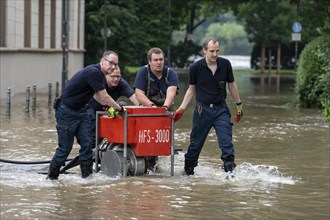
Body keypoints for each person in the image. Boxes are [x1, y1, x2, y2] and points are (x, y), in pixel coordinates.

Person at [48, 51, 125, 180]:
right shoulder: (93, 72)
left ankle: (87, 180)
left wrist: (110, 107)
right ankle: (51, 179)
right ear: (102, 61)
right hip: (66, 111)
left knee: (87, 145)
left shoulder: (100, 75)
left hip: (81, 111)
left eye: (116, 64)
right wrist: (120, 108)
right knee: (65, 149)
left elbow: (99, 97)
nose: (113, 67)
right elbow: (104, 97)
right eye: (111, 63)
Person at [173, 38, 243, 175]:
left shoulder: (225, 64)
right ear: (205, 50)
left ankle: (230, 173)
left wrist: (239, 104)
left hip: (221, 110)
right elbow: (191, 89)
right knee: (195, 145)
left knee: (226, 143)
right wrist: (181, 108)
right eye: (212, 51)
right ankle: (188, 172)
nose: (215, 54)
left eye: (217, 51)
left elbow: (232, 85)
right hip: (202, 110)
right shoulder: (195, 68)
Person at [133, 47, 179, 170]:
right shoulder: (143, 72)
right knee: (145, 139)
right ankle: (145, 163)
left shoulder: (171, 73)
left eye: (161, 60)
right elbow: (139, 94)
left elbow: (171, 92)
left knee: (161, 140)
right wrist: (152, 107)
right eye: (155, 60)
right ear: (149, 61)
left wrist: (164, 108)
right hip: (147, 110)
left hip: (165, 111)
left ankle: (157, 165)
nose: (159, 62)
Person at [87, 66, 140, 150]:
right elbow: (100, 97)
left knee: (123, 105)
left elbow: (134, 97)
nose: (116, 79)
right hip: (91, 107)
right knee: (93, 136)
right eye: (113, 76)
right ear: (106, 76)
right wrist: (113, 107)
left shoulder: (122, 84)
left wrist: (143, 108)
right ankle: (88, 153)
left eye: (118, 76)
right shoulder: (100, 81)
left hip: (107, 109)